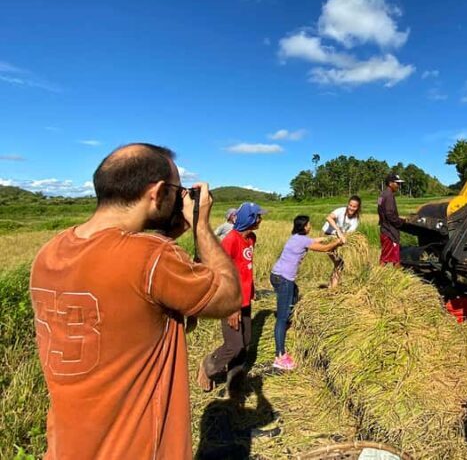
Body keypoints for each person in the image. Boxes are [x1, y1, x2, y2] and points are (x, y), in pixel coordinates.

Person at [29, 143, 241, 459]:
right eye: (176, 190)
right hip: (138, 449)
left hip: (67, 446)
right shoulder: (152, 258)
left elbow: (126, 287)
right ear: (156, 193)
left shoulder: (49, 253)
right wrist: (200, 226)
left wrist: (166, 239)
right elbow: (228, 297)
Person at [198, 202, 266, 392]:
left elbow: (243, 268)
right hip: (230, 301)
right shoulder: (230, 241)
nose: (261, 219)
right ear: (250, 219)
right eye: (258, 216)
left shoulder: (251, 238)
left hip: (244, 299)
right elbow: (221, 275)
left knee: (245, 342)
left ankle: (234, 380)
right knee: (234, 346)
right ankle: (208, 367)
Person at [270, 215, 343, 370]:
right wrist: (339, 241)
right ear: (304, 227)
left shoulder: (296, 237)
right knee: (282, 318)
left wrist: (328, 238)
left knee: (294, 293)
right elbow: (324, 249)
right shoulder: (301, 240)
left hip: (276, 275)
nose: (310, 225)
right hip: (283, 279)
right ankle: (280, 356)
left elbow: (316, 241)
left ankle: (288, 322)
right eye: (309, 224)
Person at [321, 195, 361, 288]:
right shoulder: (340, 210)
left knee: (339, 263)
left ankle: (332, 286)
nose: (351, 208)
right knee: (339, 263)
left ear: (358, 207)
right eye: (350, 205)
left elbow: (347, 235)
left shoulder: (356, 220)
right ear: (348, 204)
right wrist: (338, 231)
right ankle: (333, 288)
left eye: (354, 206)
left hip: (337, 239)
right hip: (327, 236)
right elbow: (329, 218)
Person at [378, 173, 405, 265]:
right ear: (390, 183)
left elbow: (379, 209)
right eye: (397, 183)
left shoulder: (381, 194)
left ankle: (378, 277)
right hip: (390, 232)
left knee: (385, 256)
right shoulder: (389, 195)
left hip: (384, 229)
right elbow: (390, 214)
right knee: (393, 259)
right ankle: (398, 278)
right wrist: (401, 222)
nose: (398, 185)